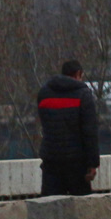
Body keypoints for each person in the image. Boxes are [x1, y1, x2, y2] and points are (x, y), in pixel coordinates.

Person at [37, 60, 100, 196]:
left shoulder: (44, 94)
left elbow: (45, 123)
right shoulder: (83, 94)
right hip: (77, 164)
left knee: (50, 208)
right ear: (78, 74)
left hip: (51, 161)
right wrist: (92, 163)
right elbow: (89, 132)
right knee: (81, 208)